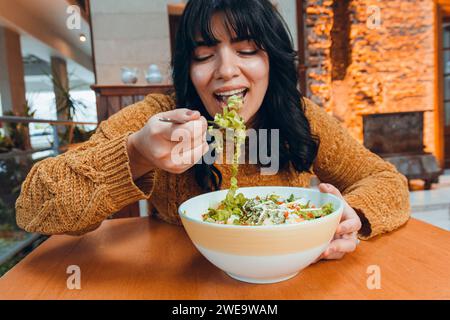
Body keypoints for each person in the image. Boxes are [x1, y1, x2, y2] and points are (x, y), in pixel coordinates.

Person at [16, 0, 410, 261]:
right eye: (204, 54)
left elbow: (386, 180)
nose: (225, 70)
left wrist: (350, 215)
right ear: (187, 67)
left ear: (272, 59)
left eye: (246, 50)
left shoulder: (299, 116)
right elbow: (35, 205)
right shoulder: (161, 115)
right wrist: (136, 153)